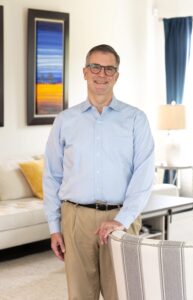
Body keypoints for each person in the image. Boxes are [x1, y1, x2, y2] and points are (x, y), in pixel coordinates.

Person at [43, 44, 155, 300]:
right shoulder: (65, 120)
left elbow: (144, 175)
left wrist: (122, 219)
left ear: (116, 75)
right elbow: (51, 175)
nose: (101, 74)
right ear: (85, 72)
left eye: (109, 69)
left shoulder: (136, 119)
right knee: (80, 295)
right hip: (75, 220)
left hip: (120, 218)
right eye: (95, 66)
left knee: (124, 293)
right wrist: (54, 226)